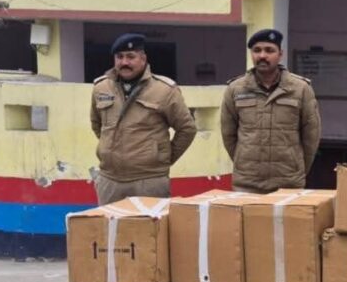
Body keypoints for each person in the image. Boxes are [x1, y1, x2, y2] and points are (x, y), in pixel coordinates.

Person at [90, 33, 197, 203]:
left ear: (143, 59)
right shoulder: (101, 88)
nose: (124, 62)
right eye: (119, 57)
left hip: (149, 180)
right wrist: (110, 148)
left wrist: (162, 158)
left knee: (149, 222)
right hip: (110, 180)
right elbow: (97, 124)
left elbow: (187, 129)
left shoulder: (164, 90)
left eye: (130, 57)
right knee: (109, 221)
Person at [220, 28, 321, 194]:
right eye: (257, 50)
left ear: (280, 54)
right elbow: (228, 135)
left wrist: (297, 169)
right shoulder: (235, 89)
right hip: (247, 184)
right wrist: (244, 163)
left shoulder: (300, 89)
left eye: (269, 50)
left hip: (288, 183)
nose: (262, 55)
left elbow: (311, 136)